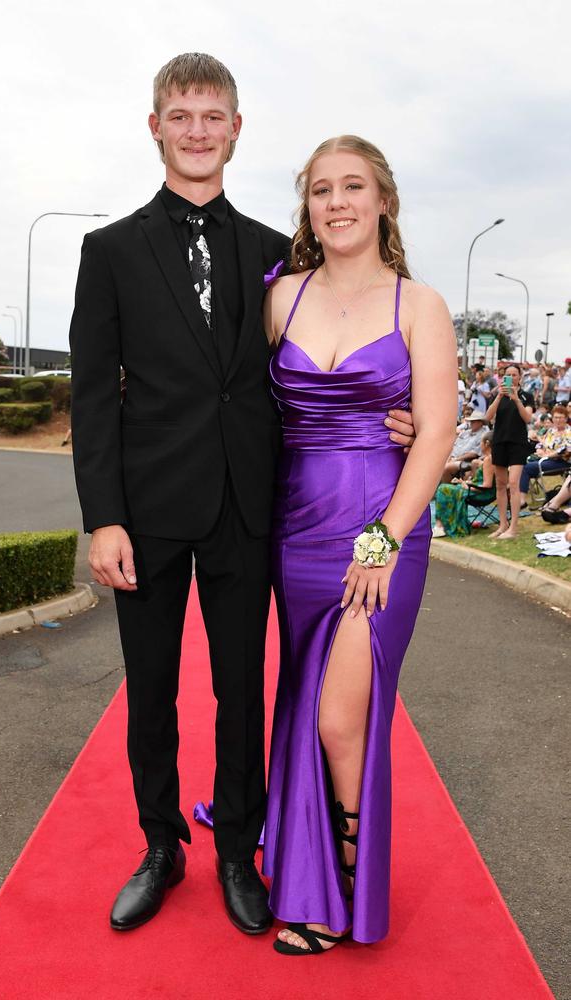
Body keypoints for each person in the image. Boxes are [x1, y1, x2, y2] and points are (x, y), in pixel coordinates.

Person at [68, 54, 417, 937]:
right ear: (156, 127)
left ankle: (237, 852)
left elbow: (319, 353)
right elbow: (89, 396)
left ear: (235, 127)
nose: (196, 130)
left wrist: (396, 413)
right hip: (144, 517)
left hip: (248, 515)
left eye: (211, 115)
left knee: (239, 690)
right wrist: (104, 516)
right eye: (180, 115)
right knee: (151, 693)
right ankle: (159, 847)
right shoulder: (106, 252)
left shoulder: (273, 254)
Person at [262, 135, 457, 954]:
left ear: (384, 200)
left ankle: (344, 876)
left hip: (381, 530)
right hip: (294, 527)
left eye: (353, 186)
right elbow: (239, 408)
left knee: (343, 716)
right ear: (307, 207)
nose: (336, 202)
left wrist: (382, 540)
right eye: (320, 190)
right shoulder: (280, 298)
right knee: (305, 705)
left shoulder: (420, 304)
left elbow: (438, 433)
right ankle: (309, 879)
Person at [484, 363, 534, 539]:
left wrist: (516, 399)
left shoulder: (526, 396)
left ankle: (513, 527)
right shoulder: (498, 395)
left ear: (520, 377)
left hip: (517, 443)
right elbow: (487, 418)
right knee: (500, 484)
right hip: (499, 441)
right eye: (508, 374)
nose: (511, 378)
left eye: (514, 374)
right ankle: (503, 524)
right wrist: (499, 397)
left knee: (514, 483)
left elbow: (528, 418)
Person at [432, 431, 495, 537]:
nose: (480, 445)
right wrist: (465, 482)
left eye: (481, 442)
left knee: (443, 489)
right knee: (449, 488)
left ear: (487, 443)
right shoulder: (493, 458)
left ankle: (440, 526)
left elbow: (487, 485)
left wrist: (468, 487)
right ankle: (442, 525)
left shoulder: (489, 460)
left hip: (482, 495)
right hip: (480, 491)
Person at [519, 404, 571, 504]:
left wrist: (547, 455)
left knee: (525, 468)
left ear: (566, 418)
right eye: (555, 417)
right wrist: (540, 450)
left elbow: (565, 450)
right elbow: (540, 443)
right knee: (522, 463)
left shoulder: (569, 431)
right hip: (546, 459)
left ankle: (522, 500)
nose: (558, 420)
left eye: (560, 418)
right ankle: (519, 496)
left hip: (562, 461)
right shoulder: (551, 430)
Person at [440, 409, 487, 482]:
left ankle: (445, 489)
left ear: (480, 422)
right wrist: (450, 458)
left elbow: (474, 453)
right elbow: (454, 446)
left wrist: (456, 459)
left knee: (447, 467)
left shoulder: (482, 435)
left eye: (473, 421)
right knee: (436, 463)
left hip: (467, 460)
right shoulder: (465, 432)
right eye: (471, 421)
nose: (471, 423)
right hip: (454, 457)